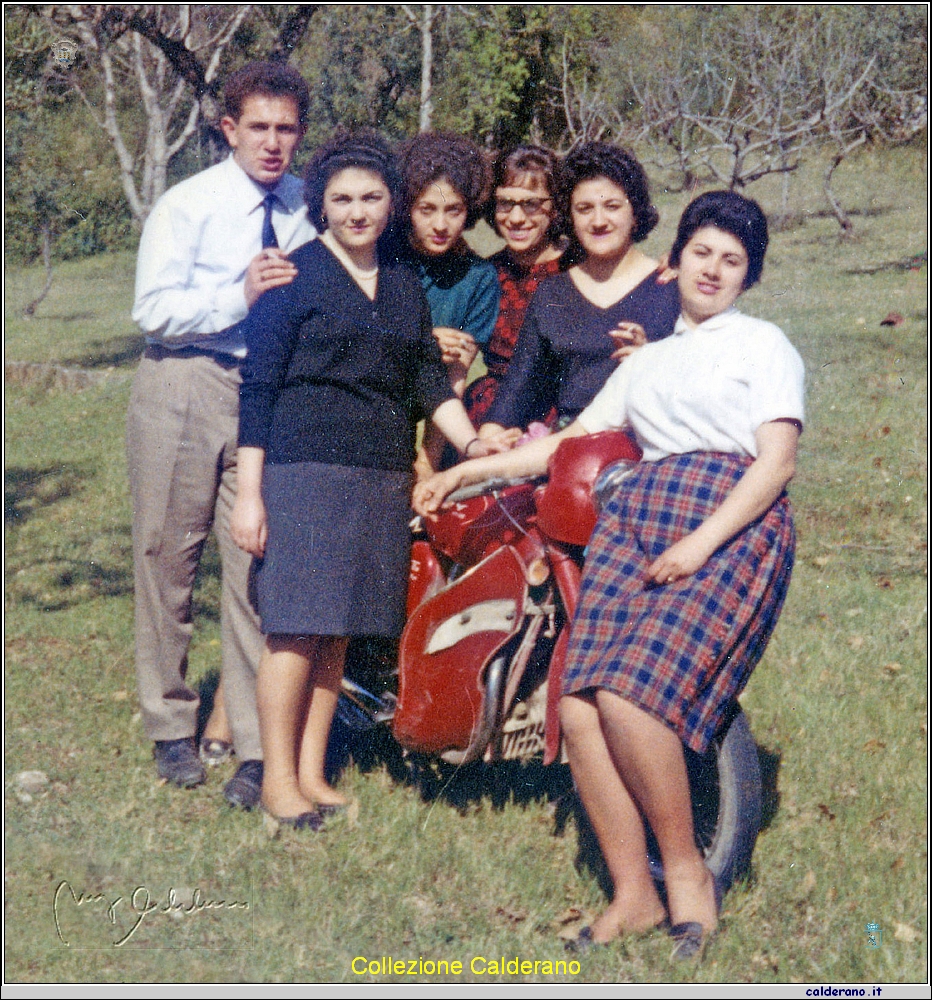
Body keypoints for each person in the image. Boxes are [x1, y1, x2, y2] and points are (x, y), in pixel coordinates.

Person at [414, 191, 804, 958]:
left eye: (732, 261)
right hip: (636, 517)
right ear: (677, 261)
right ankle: (632, 895)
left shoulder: (763, 345)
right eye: (702, 254)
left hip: (725, 517)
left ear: (749, 276)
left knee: (629, 700)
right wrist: (464, 476)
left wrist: (701, 543)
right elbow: (567, 442)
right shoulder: (648, 360)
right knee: (582, 705)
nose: (714, 270)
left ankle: (686, 875)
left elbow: (777, 462)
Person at [230, 129, 502, 827]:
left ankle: (314, 774)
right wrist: (252, 494)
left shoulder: (405, 284)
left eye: (371, 198)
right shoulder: (293, 277)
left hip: (380, 478)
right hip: (305, 474)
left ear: (392, 205)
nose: (357, 212)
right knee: (294, 631)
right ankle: (276, 783)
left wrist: (474, 444)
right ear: (322, 205)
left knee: (339, 635)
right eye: (343, 199)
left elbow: (423, 379)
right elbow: (258, 390)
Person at [127, 61, 314, 805]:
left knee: (255, 563)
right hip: (186, 379)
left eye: (286, 129)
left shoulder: (308, 206)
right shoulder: (189, 204)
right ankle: (171, 725)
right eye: (258, 128)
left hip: (268, 395)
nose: (273, 144)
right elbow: (154, 309)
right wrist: (235, 294)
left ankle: (253, 742)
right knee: (167, 556)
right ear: (229, 130)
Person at [478, 142, 680, 441]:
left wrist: (652, 366)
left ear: (635, 212)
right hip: (565, 448)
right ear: (570, 217)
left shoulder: (671, 287)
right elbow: (516, 393)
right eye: (585, 209)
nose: (598, 221)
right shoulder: (552, 292)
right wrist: (488, 439)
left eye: (612, 206)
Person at [396, 132, 500, 476]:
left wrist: (429, 461)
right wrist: (424, 342)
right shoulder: (387, 259)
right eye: (427, 209)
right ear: (408, 207)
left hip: (436, 409)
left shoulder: (479, 277)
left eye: (453, 210)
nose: (440, 225)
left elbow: (457, 373)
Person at [463, 144, 566, 427]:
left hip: (561, 414)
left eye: (531, 204)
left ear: (555, 208)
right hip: (491, 411)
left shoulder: (579, 267)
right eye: (506, 203)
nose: (517, 218)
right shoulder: (486, 275)